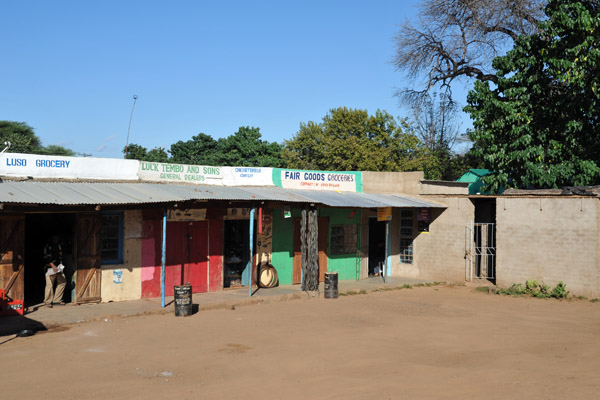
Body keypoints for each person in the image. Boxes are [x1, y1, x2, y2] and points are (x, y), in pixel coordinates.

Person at [43, 235, 66, 308]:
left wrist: (60, 266)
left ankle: (57, 299)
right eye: (55, 238)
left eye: (57, 238)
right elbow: (46, 257)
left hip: (59, 267)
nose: (56, 239)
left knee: (62, 282)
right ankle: (47, 301)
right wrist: (53, 266)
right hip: (49, 268)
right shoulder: (48, 246)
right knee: (49, 285)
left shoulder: (59, 246)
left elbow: (60, 256)